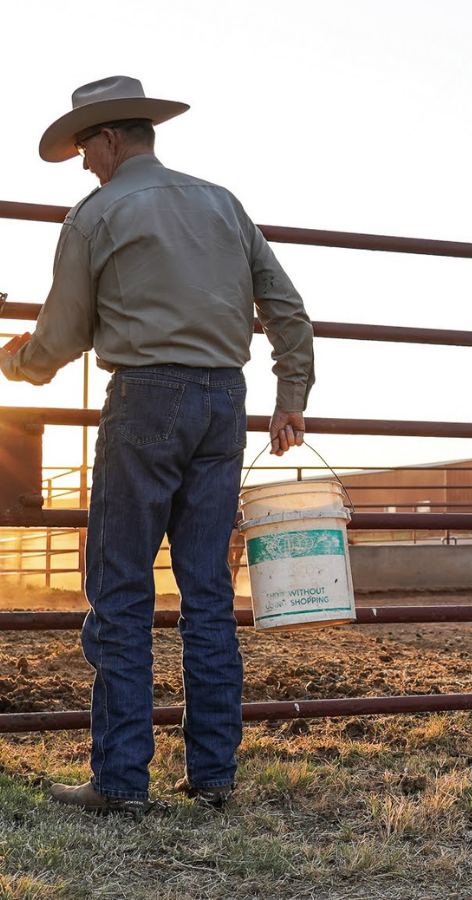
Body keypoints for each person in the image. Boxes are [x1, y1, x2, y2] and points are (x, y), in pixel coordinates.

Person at [0, 76, 314, 815]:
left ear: (110, 138)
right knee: (206, 591)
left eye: (85, 148)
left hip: (146, 399)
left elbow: (59, 339)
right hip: (223, 401)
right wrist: (290, 398)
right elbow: (289, 310)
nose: (83, 164)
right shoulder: (222, 203)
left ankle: (119, 782)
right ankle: (213, 776)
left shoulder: (97, 213)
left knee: (120, 590)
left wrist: (11, 359)